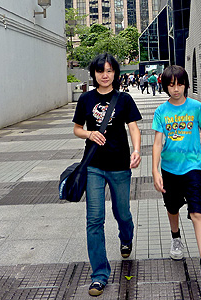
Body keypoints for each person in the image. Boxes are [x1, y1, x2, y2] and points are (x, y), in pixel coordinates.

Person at [72, 53, 142, 297]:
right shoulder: (86, 99)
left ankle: (126, 236)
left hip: (120, 165)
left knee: (121, 211)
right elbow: (77, 129)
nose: (105, 74)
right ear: (94, 73)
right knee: (94, 220)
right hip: (93, 166)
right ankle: (99, 275)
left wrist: (137, 150)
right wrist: (89, 134)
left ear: (115, 74)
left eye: (110, 70)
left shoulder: (124, 99)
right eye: (101, 71)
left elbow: (133, 126)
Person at [152, 65, 201, 293]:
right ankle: (176, 238)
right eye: (171, 85)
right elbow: (157, 142)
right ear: (165, 86)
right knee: (172, 208)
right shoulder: (161, 111)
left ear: (186, 85)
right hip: (170, 169)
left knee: (197, 212)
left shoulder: (196, 108)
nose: (176, 89)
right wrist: (155, 170)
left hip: (192, 168)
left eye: (180, 84)